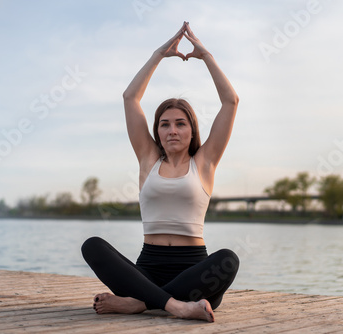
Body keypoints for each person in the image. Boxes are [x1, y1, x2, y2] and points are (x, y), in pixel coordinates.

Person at [81, 21, 240, 322]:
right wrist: (158, 54)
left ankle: (140, 303)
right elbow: (131, 98)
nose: (172, 130)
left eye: (180, 123)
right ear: (156, 131)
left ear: (193, 131)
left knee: (228, 260)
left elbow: (230, 102)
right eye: (164, 124)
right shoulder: (147, 159)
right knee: (92, 246)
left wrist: (206, 57)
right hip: (147, 268)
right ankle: (175, 306)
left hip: (194, 271)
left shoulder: (204, 163)